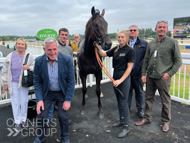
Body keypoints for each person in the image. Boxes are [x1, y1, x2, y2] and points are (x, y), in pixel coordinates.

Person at [135, 20, 182, 132]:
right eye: (159, 27)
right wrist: (143, 74)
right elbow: (146, 60)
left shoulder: (172, 42)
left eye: (164, 27)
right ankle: (146, 118)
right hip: (150, 76)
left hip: (163, 77)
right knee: (148, 98)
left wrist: (169, 73)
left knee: (165, 100)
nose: (161, 29)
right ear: (155, 29)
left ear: (166, 29)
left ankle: (165, 121)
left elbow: (178, 61)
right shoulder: (151, 43)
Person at [33, 38, 75, 143]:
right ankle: (41, 137)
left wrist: (68, 100)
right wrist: (39, 100)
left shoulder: (66, 59)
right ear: (44, 49)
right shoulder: (39, 61)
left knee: (62, 116)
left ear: (58, 48)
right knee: (41, 115)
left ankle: (65, 137)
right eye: (49, 50)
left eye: (54, 49)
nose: (52, 52)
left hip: (62, 92)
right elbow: (37, 81)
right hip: (47, 93)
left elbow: (71, 81)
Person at [95, 30, 135, 138]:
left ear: (126, 38)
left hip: (123, 77)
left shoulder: (130, 50)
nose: (120, 39)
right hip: (115, 74)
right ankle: (121, 120)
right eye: (119, 37)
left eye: (122, 37)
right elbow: (103, 54)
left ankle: (126, 126)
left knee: (123, 102)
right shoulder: (117, 49)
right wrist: (97, 47)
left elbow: (130, 68)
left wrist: (120, 80)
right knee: (118, 100)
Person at [1, 38, 34, 131]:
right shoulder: (10, 56)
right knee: (15, 103)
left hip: (24, 82)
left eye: (22, 44)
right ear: (16, 45)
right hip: (13, 83)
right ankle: (17, 121)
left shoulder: (29, 56)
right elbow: (5, 70)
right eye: (18, 44)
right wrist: (5, 83)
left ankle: (24, 119)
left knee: (24, 102)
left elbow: (34, 66)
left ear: (25, 46)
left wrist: (28, 67)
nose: (20, 46)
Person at [47, 28, 74, 123]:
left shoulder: (69, 49)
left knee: (64, 100)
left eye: (66, 35)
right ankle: (49, 118)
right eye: (62, 34)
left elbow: (70, 63)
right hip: (53, 76)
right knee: (50, 100)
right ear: (59, 35)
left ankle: (64, 118)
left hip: (64, 78)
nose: (64, 36)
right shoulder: (53, 46)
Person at [127, 25, 148, 118]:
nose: (132, 32)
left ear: (138, 32)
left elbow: (146, 58)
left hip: (138, 72)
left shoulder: (144, 43)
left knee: (139, 91)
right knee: (128, 91)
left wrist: (140, 67)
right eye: (131, 30)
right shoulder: (125, 42)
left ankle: (140, 109)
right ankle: (127, 108)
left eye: (134, 30)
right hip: (127, 73)